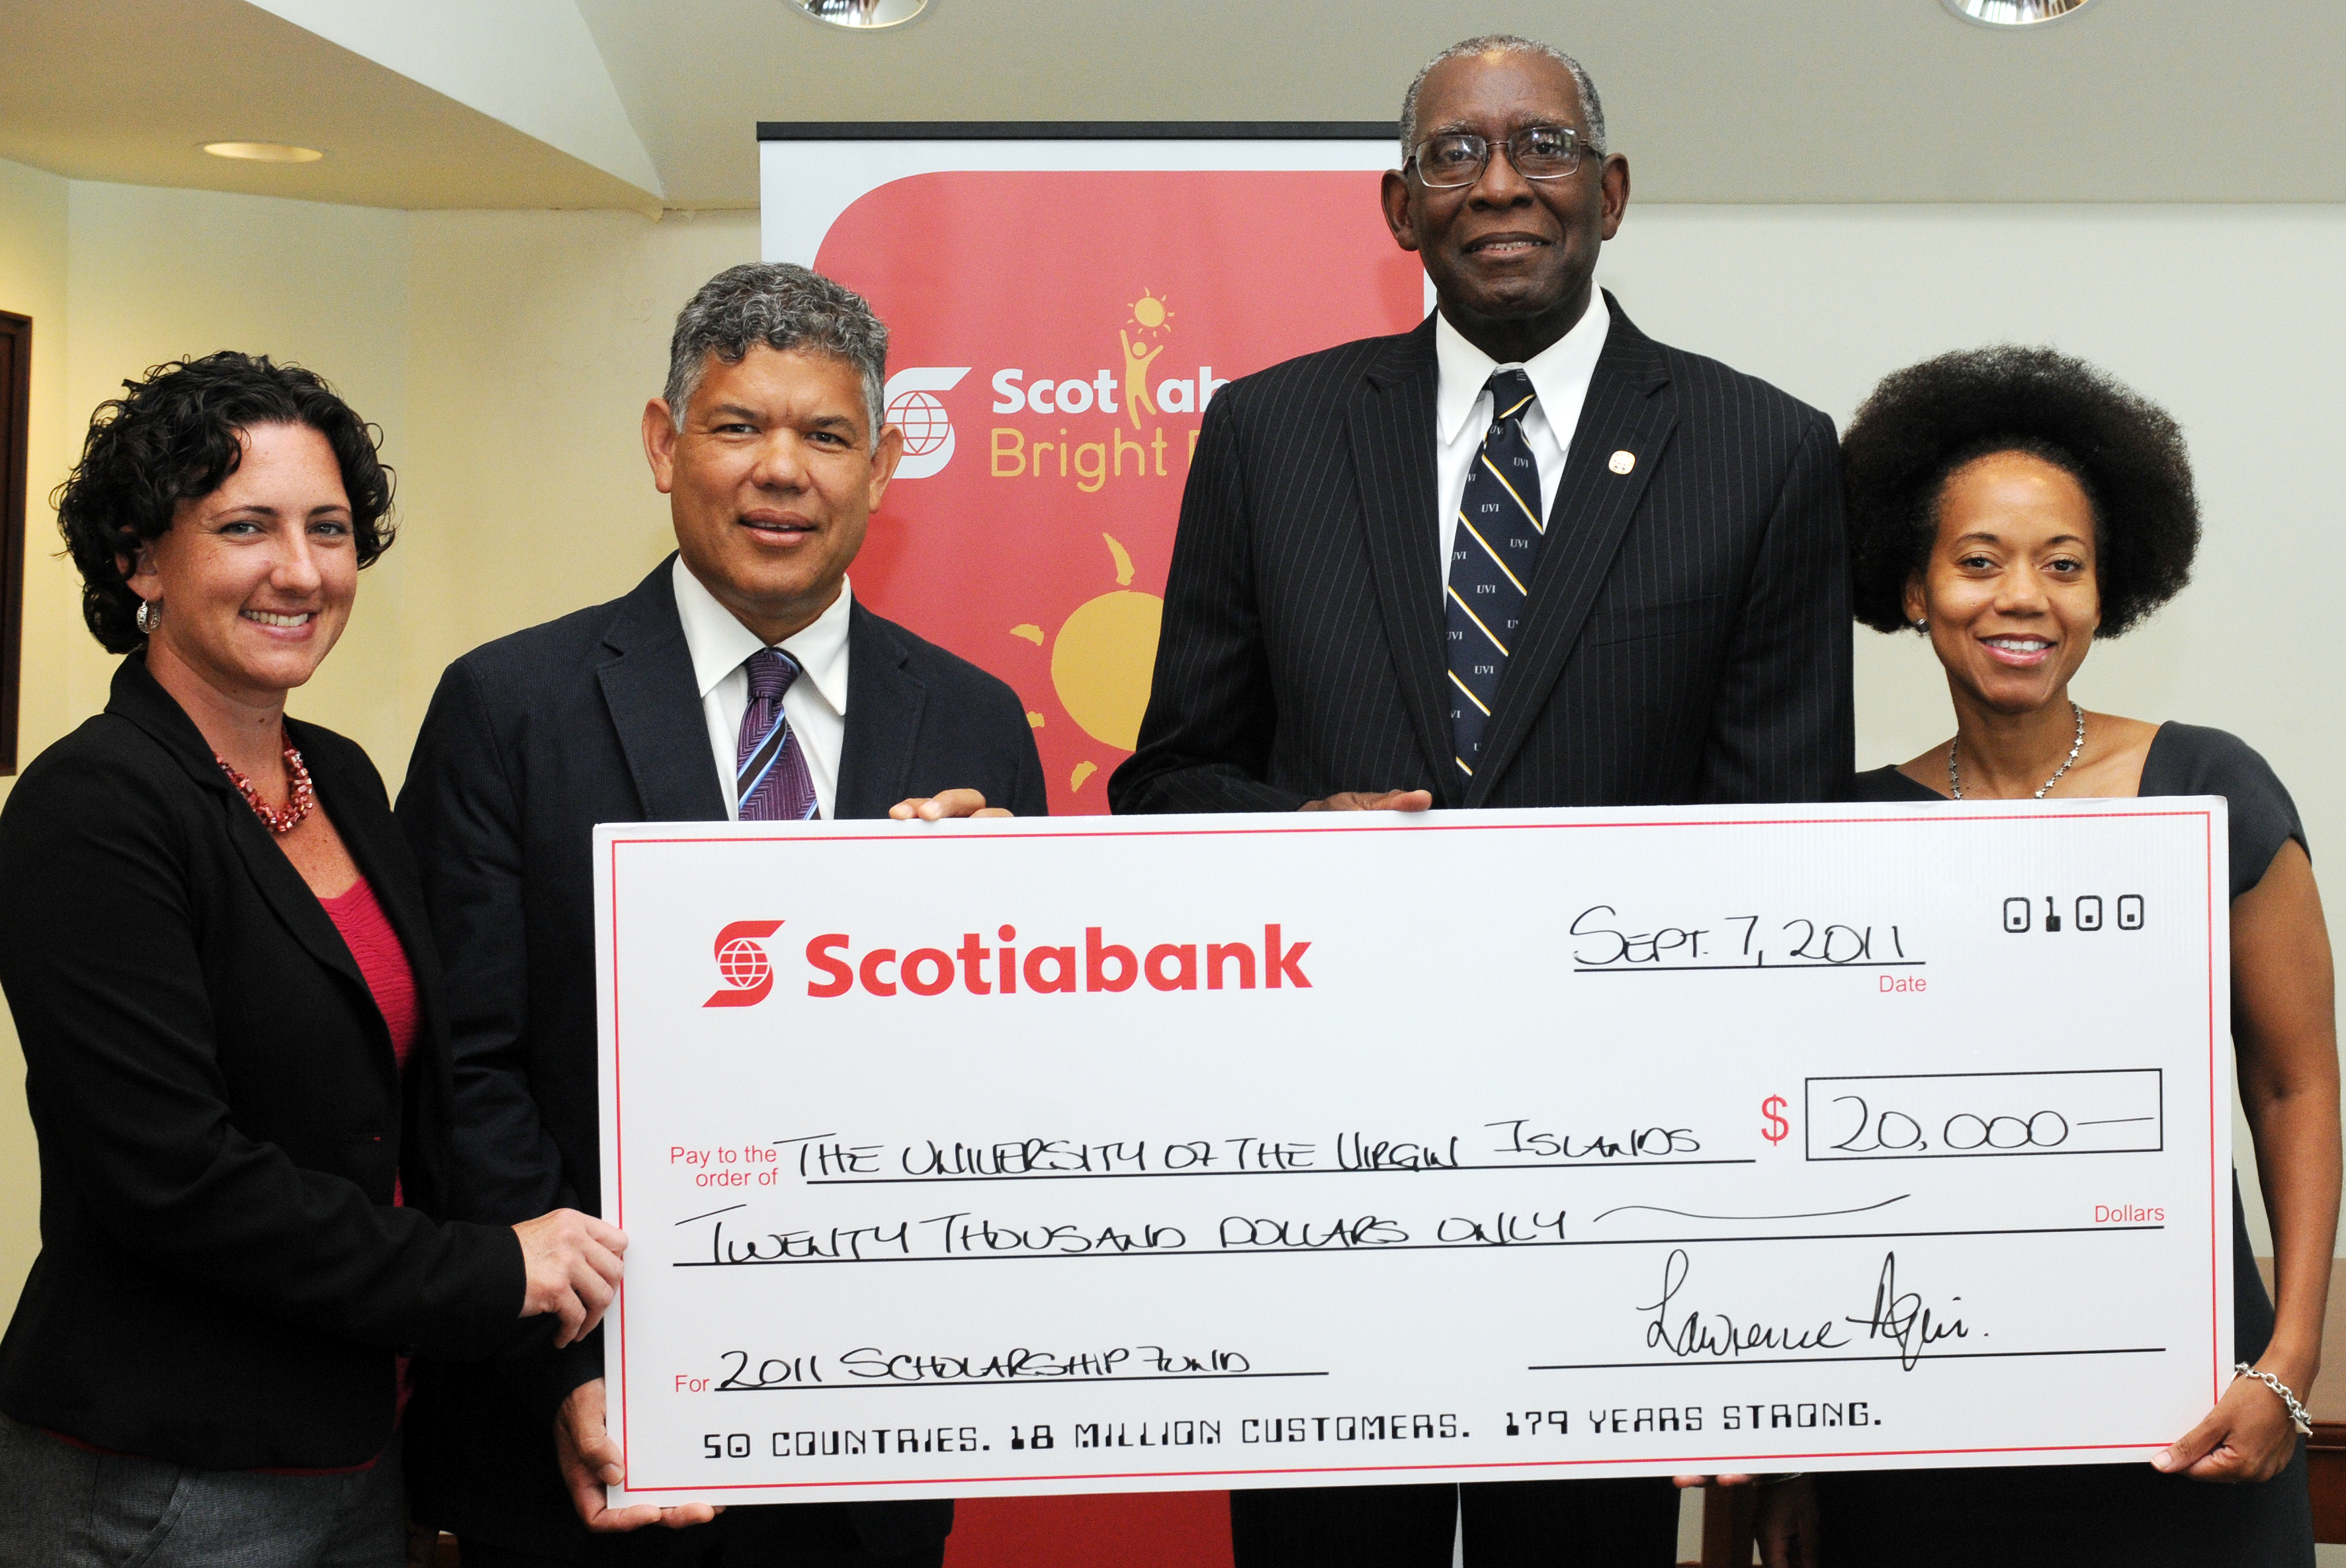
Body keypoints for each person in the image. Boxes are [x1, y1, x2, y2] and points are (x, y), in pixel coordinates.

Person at [1108, 32, 1852, 1568]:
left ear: (1615, 190)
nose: (1499, 184)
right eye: (1454, 155)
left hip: (1621, 1190)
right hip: (1318, 1169)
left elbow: (1783, 860)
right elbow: (1169, 779)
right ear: (1397, 207)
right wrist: (1293, 844)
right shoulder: (1269, 435)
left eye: (1543, 147)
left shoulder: (1765, 452)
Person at [398, 263, 1047, 1567]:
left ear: (886, 463)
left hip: (878, 1424)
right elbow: (465, 1073)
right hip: (579, 1426)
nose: (781, 472)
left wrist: (1001, 938)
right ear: (662, 443)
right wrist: (564, 1370)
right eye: (738, 426)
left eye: (826, 434)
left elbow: (1015, 1082)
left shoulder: (978, 722)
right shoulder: (507, 707)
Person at [0, 353, 626, 1567]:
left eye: (329, 529)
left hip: (356, 1443)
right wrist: (484, 1268)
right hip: (160, 1484)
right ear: (138, 557)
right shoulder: (91, 809)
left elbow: (419, 1101)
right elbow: (172, 1177)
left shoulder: (335, 774)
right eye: (245, 526)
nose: (300, 570)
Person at [1822, 344, 2339, 1565]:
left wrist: (2291, 1359)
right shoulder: (1840, 827)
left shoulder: (2207, 785)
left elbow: (2294, 1084)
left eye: (2063, 565)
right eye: (1978, 561)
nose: (2023, 597)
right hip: (1916, 1429)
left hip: (2188, 1413)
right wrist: (1801, 1455)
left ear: (2109, 593)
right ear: (1911, 587)